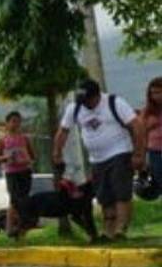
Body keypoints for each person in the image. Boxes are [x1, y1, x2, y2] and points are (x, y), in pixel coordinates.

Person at [54, 79, 147, 240]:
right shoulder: (75, 108)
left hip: (120, 152)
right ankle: (107, 230)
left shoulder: (114, 102)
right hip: (96, 159)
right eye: (82, 101)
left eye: (89, 100)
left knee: (121, 192)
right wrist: (57, 152)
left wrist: (139, 154)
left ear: (97, 95)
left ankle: (120, 229)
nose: (86, 105)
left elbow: (137, 125)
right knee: (104, 196)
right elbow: (63, 131)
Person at [0, 111, 35, 237]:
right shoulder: (3, 140)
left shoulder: (25, 138)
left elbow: (33, 156)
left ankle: (22, 229)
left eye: (18, 121)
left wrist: (27, 160)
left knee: (24, 199)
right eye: (13, 121)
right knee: (14, 200)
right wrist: (5, 158)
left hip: (25, 172)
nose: (16, 124)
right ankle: (9, 228)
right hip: (12, 173)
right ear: (7, 123)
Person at [143, 77, 162, 194]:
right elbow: (141, 132)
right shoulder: (147, 111)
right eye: (153, 93)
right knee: (159, 179)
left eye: (159, 92)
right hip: (155, 151)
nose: (156, 96)